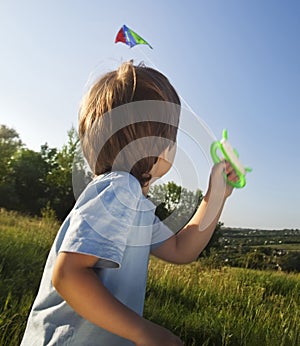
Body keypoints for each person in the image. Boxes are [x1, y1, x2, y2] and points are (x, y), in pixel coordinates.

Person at [21, 61, 238, 346]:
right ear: (158, 145)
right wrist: (144, 332)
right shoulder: (119, 189)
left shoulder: (133, 200)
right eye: (172, 134)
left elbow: (180, 249)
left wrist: (216, 194)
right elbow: (68, 275)